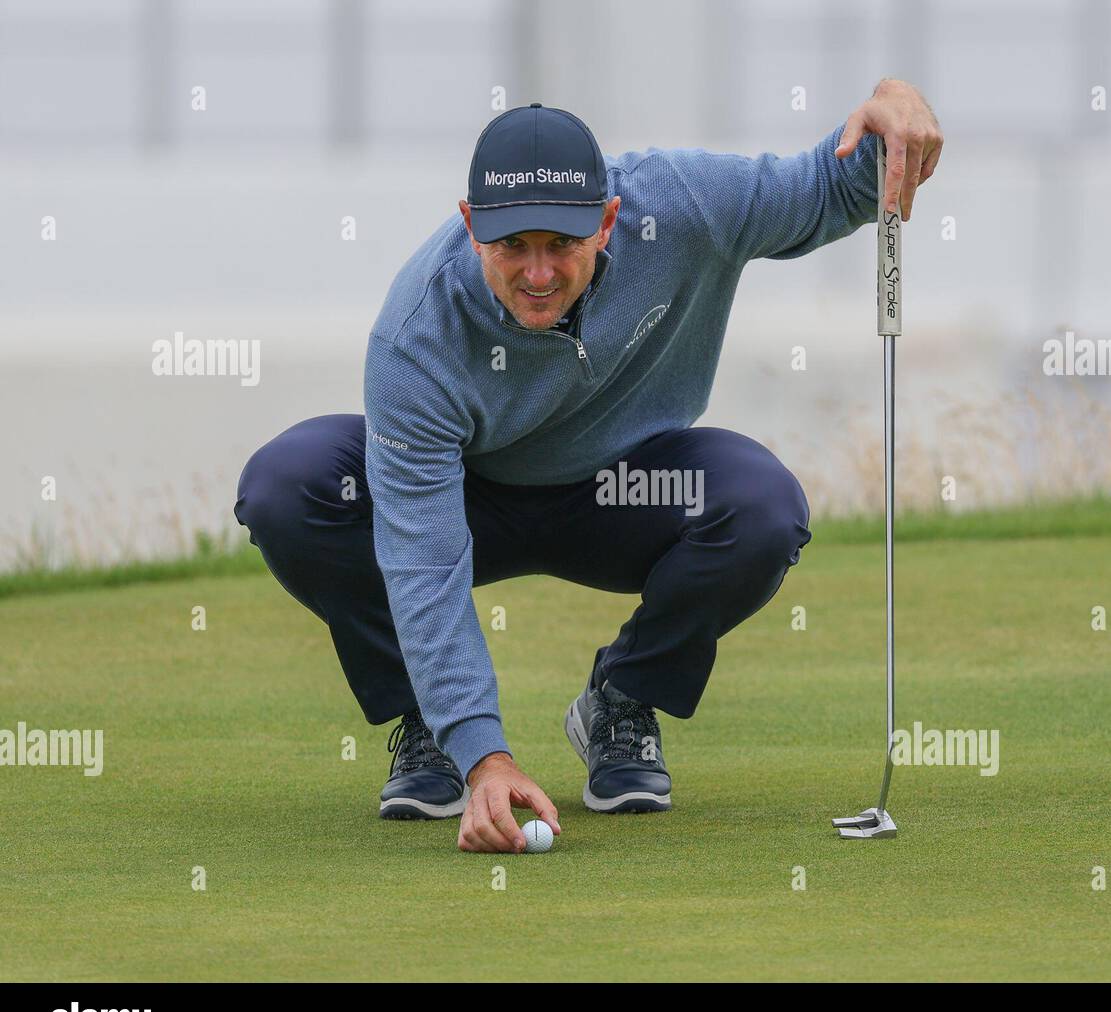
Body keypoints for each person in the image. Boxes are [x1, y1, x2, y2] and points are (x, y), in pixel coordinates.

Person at [234, 80, 943, 853]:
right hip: (470, 498)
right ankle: (433, 733)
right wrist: (486, 755)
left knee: (762, 506)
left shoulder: (679, 203)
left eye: (562, 245)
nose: (538, 274)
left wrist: (892, 114)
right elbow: (423, 562)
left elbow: (833, 187)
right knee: (290, 484)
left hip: (624, 493)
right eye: (513, 247)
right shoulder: (415, 337)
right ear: (472, 228)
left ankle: (622, 698)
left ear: (607, 221)